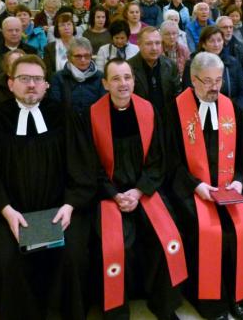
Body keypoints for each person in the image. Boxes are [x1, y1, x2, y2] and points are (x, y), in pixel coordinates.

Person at [0, 55, 95, 320]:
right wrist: (6, 211)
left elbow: (82, 166)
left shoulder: (64, 115)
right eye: (24, 79)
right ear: (11, 83)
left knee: (72, 255)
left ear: (46, 85)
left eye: (37, 79)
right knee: (8, 259)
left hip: (61, 210)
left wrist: (70, 205)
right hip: (12, 213)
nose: (31, 85)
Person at [81, 59, 186, 320]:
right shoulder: (91, 116)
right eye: (115, 78)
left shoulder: (148, 111)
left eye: (127, 77)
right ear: (105, 84)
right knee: (117, 247)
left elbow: (158, 159)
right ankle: (117, 310)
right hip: (109, 194)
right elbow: (89, 165)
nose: (123, 84)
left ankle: (163, 304)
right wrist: (115, 194)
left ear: (133, 80)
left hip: (144, 190)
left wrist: (139, 192)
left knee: (167, 238)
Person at [164, 52, 243, 320]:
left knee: (240, 228)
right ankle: (209, 298)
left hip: (229, 188)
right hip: (191, 190)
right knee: (204, 229)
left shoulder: (233, 109)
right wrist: (196, 186)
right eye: (207, 81)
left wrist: (239, 180)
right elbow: (171, 160)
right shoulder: (174, 110)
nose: (214, 87)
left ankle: (238, 294)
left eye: (218, 80)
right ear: (192, 79)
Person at [182, 26, 243, 110]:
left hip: (230, 110)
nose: (216, 44)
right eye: (211, 41)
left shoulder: (233, 63)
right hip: (201, 109)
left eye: (219, 40)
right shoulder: (193, 64)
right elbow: (188, 93)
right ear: (203, 44)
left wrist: (235, 110)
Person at [128, 27, 182, 113]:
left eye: (157, 43)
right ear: (139, 44)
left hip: (166, 118)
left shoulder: (170, 65)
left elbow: (177, 95)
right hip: (140, 116)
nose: (154, 48)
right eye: (149, 44)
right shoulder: (128, 67)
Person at [48, 37, 105, 114]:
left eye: (87, 56)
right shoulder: (58, 78)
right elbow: (55, 108)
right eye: (78, 56)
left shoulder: (100, 77)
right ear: (69, 57)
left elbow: (103, 107)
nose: (83, 60)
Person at [0, 16, 38, 84]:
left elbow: (37, 75)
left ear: (22, 31)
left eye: (17, 30)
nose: (14, 33)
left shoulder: (31, 52)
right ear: (3, 32)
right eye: (10, 30)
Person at [43, 12, 78, 80]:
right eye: (62, 25)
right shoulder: (49, 48)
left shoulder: (82, 45)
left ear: (73, 27)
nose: (66, 27)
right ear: (57, 29)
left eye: (69, 24)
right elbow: (48, 73)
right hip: (57, 84)